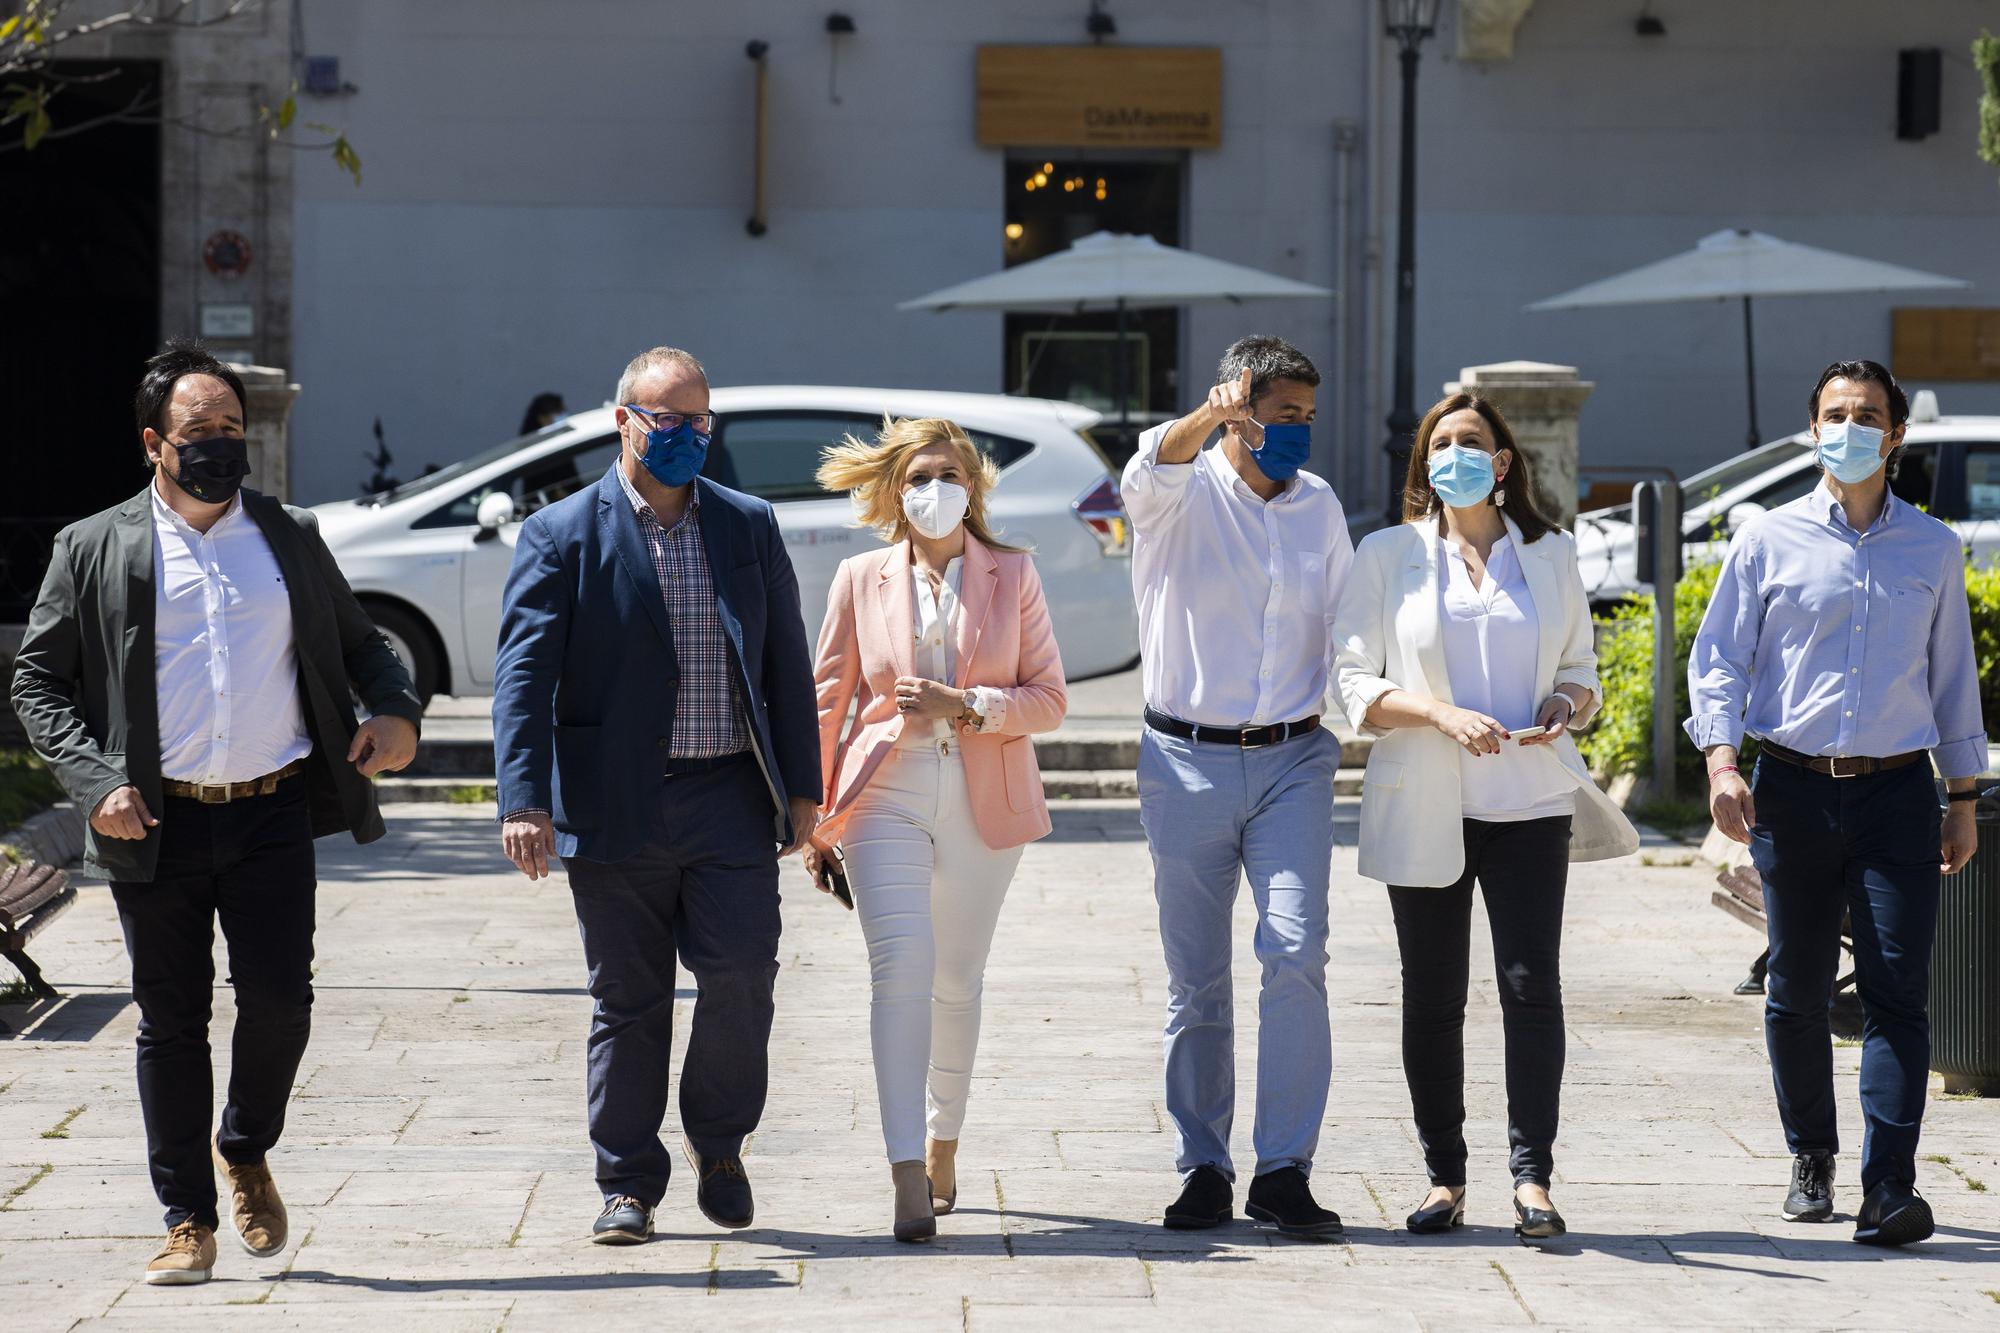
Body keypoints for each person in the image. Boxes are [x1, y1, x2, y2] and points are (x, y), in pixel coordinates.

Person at [11, 340, 422, 1286]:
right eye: (201, 432)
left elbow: (364, 647)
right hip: (150, 822)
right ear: (156, 442)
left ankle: (243, 1143)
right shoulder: (96, 545)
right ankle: (187, 1215)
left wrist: (395, 711)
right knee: (171, 1019)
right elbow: (40, 682)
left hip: (271, 807)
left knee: (281, 1001)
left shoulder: (287, 535)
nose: (221, 446)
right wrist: (94, 781)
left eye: (232, 429)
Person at [492, 345, 820, 1245]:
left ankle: (720, 1143)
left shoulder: (747, 523)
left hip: (727, 796)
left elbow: (786, 662)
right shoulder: (562, 533)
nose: (686, 437)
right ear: (623, 421)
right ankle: (628, 1181)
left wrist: (803, 788)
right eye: (667, 421)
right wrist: (524, 799)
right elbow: (523, 676)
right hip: (614, 803)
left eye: (700, 421)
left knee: (742, 973)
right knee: (628, 999)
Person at [1687, 359, 1983, 1248]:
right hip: (1791, 789)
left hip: (1898, 790)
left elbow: (1953, 680)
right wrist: (1721, 765)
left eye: (1867, 415)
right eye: (1834, 413)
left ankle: (1889, 1185)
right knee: (1798, 987)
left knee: (1899, 992)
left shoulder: (1932, 546)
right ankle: (1810, 1154)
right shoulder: (1766, 540)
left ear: (1894, 435)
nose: (1849, 427)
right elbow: (1720, 663)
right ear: (1812, 428)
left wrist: (1961, 796)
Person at [1332, 393, 1638, 1242]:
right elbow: (1351, 681)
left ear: (1502, 463)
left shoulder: (1550, 553)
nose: (1455, 454)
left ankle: (1532, 1176)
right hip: (1424, 802)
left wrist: (1565, 702)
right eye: (1441, 443)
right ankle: (1444, 1175)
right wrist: (1439, 715)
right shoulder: (1389, 553)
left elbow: (1583, 667)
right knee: (1431, 995)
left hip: (1531, 799)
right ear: (1424, 462)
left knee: (1531, 988)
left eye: (1471, 442)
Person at [807, 416, 1068, 1242]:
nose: (933, 489)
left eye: (949, 474)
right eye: (918, 476)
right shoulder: (859, 576)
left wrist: (971, 705)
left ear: (974, 487)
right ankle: (904, 1172)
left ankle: (942, 1136)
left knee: (957, 978)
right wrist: (813, 818)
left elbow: (1050, 700)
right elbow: (827, 699)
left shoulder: (1014, 573)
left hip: (985, 792)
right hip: (884, 787)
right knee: (900, 969)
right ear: (894, 491)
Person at [1121, 335, 1354, 1239]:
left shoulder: (1320, 506)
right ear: (1241, 408)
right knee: (1197, 980)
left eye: (1306, 417)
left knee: (1296, 953)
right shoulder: (1178, 495)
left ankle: (1285, 1167)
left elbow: (1344, 624)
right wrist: (1207, 417)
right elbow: (1152, 464)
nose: (1296, 432)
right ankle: (1204, 1165)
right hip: (1184, 761)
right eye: (1281, 414)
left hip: (1293, 758)